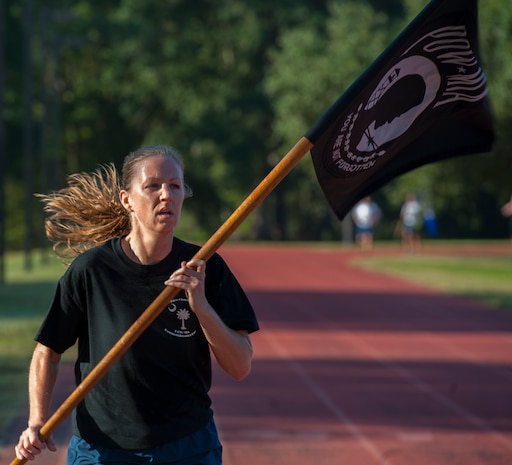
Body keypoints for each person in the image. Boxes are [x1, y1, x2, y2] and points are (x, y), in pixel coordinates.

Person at [14, 145, 259, 465]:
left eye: (175, 185)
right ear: (126, 199)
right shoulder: (92, 270)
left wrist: (202, 308)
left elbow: (241, 365)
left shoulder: (205, 267)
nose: (166, 195)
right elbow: (48, 351)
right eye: (153, 186)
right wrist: (36, 421)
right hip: (101, 450)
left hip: (186, 447)